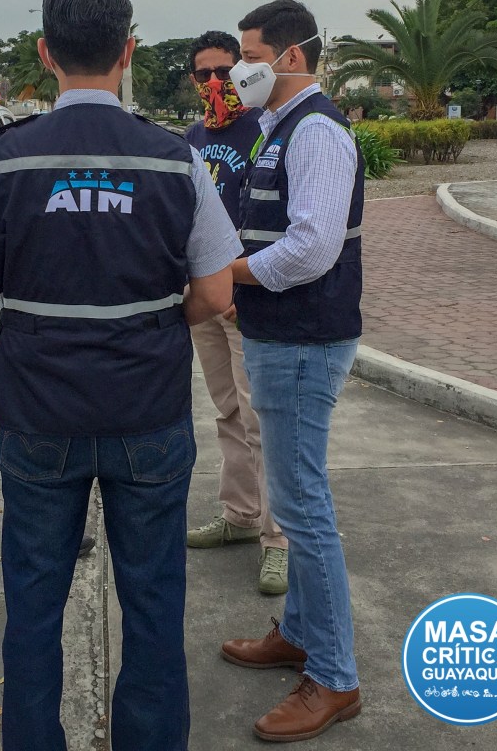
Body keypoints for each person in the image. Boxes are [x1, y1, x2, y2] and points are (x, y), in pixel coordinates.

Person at [0, 0, 239, 751]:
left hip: (38, 416)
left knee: (34, 603)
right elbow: (214, 291)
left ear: (45, 55)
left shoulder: (1, 163)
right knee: (152, 603)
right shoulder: (177, 159)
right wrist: (157, 324)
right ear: (128, 51)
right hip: (148, 412)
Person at [220, 0, 364, 743]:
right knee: (294, 494)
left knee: (303, 510)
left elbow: (312, 250)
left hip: (306, 344)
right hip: (284, 338)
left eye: (249, 55)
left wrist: (229, 278)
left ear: (291, 59)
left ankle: (335, 676)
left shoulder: (316, 133)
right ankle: (301, 634)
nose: (240, 69)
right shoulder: (279, 131)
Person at [183, 30, 288, 596]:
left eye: (225, 69)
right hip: (205, 295)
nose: (216, 82)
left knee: (260, 419)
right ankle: (241, 514)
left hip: (250, 293)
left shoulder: (264, 127)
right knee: (226, 411)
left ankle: (278, 538)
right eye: (205, 74)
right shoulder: (194, 137)